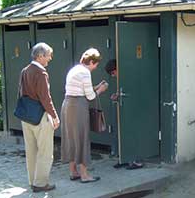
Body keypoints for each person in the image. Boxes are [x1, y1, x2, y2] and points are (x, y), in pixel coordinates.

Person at [61, 48, 108, 183]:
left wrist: (95, 86)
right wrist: (101, 90)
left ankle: (73, 171)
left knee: (71, 139)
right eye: (96, 64)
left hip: (67, 105)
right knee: (81, 138)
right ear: (91, 62)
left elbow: (80, 89)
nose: (96, 67)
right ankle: (84, 175)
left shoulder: (75, 69)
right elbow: (90, 96)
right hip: (78, 107)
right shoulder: (85, 72)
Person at [18, 42, 60, 193]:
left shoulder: (25, 70)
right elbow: (45, 98)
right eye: (49, 55)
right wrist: (54, 116)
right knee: (45, 151)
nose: (50, 58)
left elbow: (21, 93)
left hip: (26, 115)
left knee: (31, 150)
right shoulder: (41, 73)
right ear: (40, 56)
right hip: (40, 116)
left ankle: (32, 180)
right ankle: (41, 183)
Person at [105, 59, 143, 170]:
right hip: (126, 109)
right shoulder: (123, 77)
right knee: (124, 133)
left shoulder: (131, 75)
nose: (113, 76)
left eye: (113, 73)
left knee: (133, 133)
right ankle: (125, 158)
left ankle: (136, 160)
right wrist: (116, 95)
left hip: (134, 108)